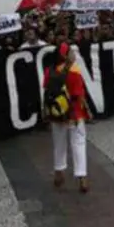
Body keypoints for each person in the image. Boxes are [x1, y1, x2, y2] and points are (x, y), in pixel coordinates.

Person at [44, 42, 91, 193]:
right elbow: (78, 94)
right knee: (78, 144)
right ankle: (81, 177)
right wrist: (87, 111)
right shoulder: (74, 70)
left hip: (57, 114)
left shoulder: (49, 70)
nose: (74, 54)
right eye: (71, 51)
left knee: (59, 144)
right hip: (74, 114)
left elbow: (46, 90)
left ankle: (59, 173)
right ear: (65, 55)